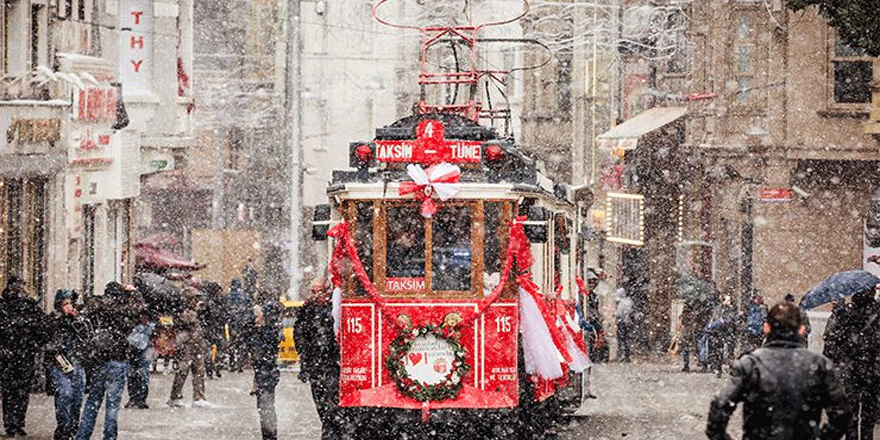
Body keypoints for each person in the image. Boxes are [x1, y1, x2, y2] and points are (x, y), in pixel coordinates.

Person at [706, 301, 849, 440]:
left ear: (766, 328)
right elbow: (841, 414)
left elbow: (720, 406)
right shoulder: (819, 365)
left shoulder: (750, 364)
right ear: (801, 330)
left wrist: (724, 437)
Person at [76, 282, 146, 440]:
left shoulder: (98, 306)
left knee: (93, 400)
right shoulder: (123, 310)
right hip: (117, 359)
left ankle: (82, 436)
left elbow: (84, 315)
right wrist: (134, 292)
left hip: (99, 359)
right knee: (113, 403)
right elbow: (140, 310)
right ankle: (109, 437)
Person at [823, 287, 880, 440]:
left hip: (851, 368)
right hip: (873, 369)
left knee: (851, 413)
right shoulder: (877, 312)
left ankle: (852, 437)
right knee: (869, 415)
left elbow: (834, 340)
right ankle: (867, 437)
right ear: (871, 293)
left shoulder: (847, 312)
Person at [0, 276, 50, 437]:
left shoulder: (8, 306)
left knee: (12, 391)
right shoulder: (29, 306)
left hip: (12, 355)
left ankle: (12, 423)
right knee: (20, 390)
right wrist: (35, 343)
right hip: (21, 354)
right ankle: (16, 422)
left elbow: (43, 329)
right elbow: (43, 329)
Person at [294, 276, 341, 440]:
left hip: (332, 363)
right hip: (314, 364)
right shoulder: (307, 310)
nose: (315, 296)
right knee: (319, 402)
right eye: (313, 292)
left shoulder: (334, 309)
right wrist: (304, 357)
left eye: (319, 292)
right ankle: (329, 429)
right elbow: (299, 334)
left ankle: (329, 433)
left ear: (327, 292)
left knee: (331, 402)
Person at [45, 289, 91, 440]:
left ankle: (73, 427)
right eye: (65, 304)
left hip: (77, 362)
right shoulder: (53, 320)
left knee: (77, 397)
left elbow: (87, 337)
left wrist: (77, 320)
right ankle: (63, 428)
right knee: (65, 394)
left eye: (70, 303)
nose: (69, 307)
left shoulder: (79, 320)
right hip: (60, 363)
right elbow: (49, 344)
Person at [247, 289, 283, 440]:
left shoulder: (268, 330)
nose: (255, 319)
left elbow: (260, 347)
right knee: (264, 407)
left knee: (266, 406)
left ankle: (269, 436)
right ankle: (268, 435)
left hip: (266, 372)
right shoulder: (263, 330)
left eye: (257, 315)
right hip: (263, 372)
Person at [167, 287, 211, 408]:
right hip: (186, 344)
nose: (197, 301)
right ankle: (175, 397)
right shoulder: (181, 310)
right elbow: (185, 321)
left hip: (197, 344)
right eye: (195, 299)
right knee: (182, 370)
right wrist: (195, 311)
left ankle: (199, 397)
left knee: (199, 371)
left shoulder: (196, 311)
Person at [200, 281, 228, 379]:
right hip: (217, 329)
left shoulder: (206, 302)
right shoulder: (221, 301)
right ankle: (216, 367)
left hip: (209, 329)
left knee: (208, 351)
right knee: (219, 350)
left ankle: (210, 370)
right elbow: (225, 315)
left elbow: (202, 316)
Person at [705, 295, 736, 377]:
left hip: (728, 333)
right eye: (728, 300)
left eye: (730, 300)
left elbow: (733, 320)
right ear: (723, 301)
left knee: (729, 351)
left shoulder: (731, 309)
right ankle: (719, 368)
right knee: (719, 351)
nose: (729, 302)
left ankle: (729, 367)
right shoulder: (719, 309)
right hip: (720, 333)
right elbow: (716, 319)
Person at [226, 278, 252, 373]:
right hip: (243, 324)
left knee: (232, 344)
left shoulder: (228, 296)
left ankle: (232, 364)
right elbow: (249, 310)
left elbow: (226, 310)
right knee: (241, 344)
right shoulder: (245, 296)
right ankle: (240, 364)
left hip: (232, 324)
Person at [614, 287, 633, 362]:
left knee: (621, 339)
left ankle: (622, 355)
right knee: (626, 339)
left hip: (622, 323)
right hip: (627, 323)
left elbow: (619, 313)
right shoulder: (628, 302)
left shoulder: (621, 303)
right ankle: (626, 355)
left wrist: (615, 315)